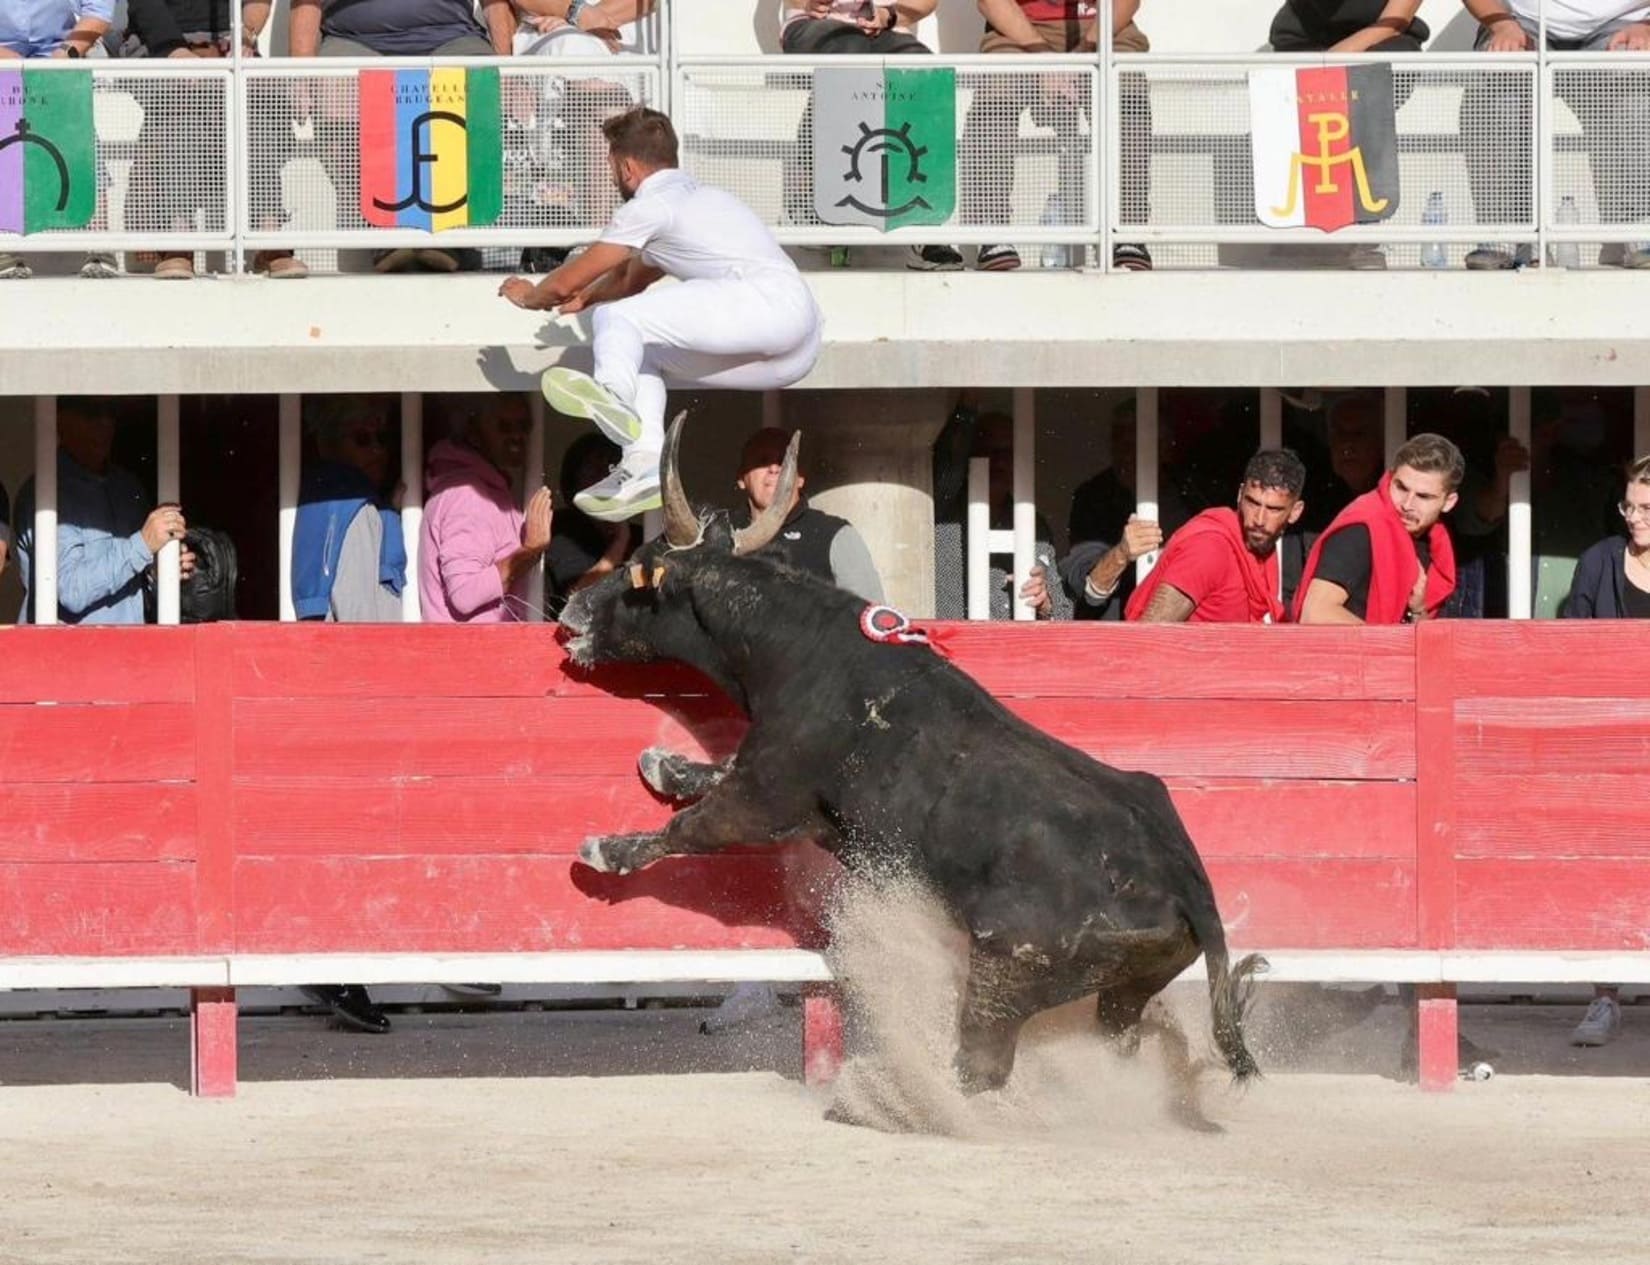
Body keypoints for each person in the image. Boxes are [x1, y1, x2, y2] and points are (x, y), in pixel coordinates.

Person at [499, 107, 823, 523]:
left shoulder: (649, 207)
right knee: (643, 349)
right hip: (797, 349)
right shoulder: (704, 202)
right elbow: (631, 278)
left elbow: (564, 283)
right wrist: (588, 298)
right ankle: (644, 463)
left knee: (616, 321)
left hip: (768, 307)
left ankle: (613, 395)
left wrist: (530, 296)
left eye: (614, 168)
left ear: (627, 166)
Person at [1559, 454, 1650, 1047]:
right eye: (1630, 507)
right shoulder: (1598, 561)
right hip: (1613, 744)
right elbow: (1569, 644)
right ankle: (1605, 998)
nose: (1635, 518)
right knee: (1610, 871)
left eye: (1646, 509)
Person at [964, 0, 1153, 272]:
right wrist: (1043, 57)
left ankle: (1129, 231)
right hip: (1021, 26)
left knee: (1126, 88)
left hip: (1100, 23)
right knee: (998, 85)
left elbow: (1126, 2)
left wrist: (1084, 52)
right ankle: (991, 230)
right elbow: (991, 2)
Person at [1461, 0, 1650, 270]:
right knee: (1500, 78)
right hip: (1520, 20)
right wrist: (1501, 24)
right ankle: (1507, 236)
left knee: (1634, 80)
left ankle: (1635, 230)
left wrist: (1647, 26)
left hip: (1626, 22)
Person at [779, 1, 964, 272]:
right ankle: (810, 198)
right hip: (813, 26)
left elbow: (925, 3)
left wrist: (888, 15)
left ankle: (924, 227)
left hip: (884, 30)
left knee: (922, 69)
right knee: (850, 52)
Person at [13, 398, 197, 624]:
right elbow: (71, 590)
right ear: (59, 420)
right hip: (68, 655)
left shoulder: (127, 488)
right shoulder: (45, 493)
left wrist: (159, 570)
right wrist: (143, 544)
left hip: (129, 650)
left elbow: (131, 579)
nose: (104, 423)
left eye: (110, 413)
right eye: (90, 413)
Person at [0, 1, 121, 280]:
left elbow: (98, 12)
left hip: (62, 48)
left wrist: (63, 56)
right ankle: (3, 241)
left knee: (76, 123)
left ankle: (100, 239)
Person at [1295, 432, 1463, 625]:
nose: (1407, 504)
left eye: (1423, 497)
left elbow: (1412, 630)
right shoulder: (1362, 529)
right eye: (1401, 487)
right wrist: (1384, 643)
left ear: (1449, 502)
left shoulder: (1434, 542)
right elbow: (1316, 614)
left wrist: (1418, 609)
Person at [1125, 448, 1307, 623]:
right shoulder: (1209, 549)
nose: (1259, 519)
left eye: (1273, 509)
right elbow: (1150, 634)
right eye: (1252, 502)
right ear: (1240, 494)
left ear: (1295, 512)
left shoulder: (1262, 550)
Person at [121, 0, 232, 280]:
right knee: (180, 98)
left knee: (264, 101)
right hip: (155, 42)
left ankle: (266, 234)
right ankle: (177, 234)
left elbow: (257, 5)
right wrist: (175, 49)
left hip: (224, 42)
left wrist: (246, 35)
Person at [420, 394, 553, 623]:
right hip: (469, 654)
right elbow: (465, 594)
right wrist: (529, 551)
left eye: (524, 426)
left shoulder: (483, 488)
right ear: (474, 431)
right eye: (504, 426)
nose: (516, 436)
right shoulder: (469, 494)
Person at [731, 426, 884, 603]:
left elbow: (871, 618)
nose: (773, 468)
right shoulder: (720, 533)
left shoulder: (834, 534)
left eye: (783, 462)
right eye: (761, 461)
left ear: (800, 478)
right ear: (741, 480)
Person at [292, 397, 406, 626]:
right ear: (329, 444)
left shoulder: (316, 498)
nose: (377, 450)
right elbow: (357, 613)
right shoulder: (353, 505)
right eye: (362, 439)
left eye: (382, 439)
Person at [546, 433, 638, 615]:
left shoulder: (640, 534)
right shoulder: (563, 530)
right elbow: (576, 600)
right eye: (594, 471)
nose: (605, 480)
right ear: (574, 481)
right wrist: (620, 542)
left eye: (613, 471)